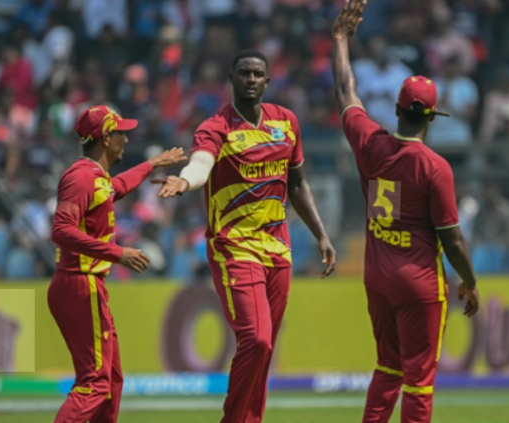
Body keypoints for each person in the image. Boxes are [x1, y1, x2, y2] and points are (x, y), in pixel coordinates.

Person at [155, 49, 337, 423]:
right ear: (232, 79)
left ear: (268, 81)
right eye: (244, 74)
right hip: (234, 246)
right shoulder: (216, 126)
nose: (251, 80)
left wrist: (321, 234)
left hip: (278, 248)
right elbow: (202, 164)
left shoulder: (286, 122)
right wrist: (186, 180)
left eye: (258, 74)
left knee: (263, 351)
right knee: (257, 339)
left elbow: (298, 184)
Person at [331, 2, 480, 423]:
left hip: (377, 278)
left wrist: (340, 39)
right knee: (418, 379)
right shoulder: (435, 168)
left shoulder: (370, 143)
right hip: (418, 284)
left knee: (387, 367)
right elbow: (451, 237)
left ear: (397, 109)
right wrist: (469, 281)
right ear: (431, 117)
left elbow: (346, 92)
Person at [48, 105, 186, 423]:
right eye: (121, 133)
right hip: (79, 285)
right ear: (106, 138)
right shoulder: (81, 177)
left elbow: (116, 188)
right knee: (95, 383)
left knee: (110, 381)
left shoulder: (95, 176)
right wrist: (117, 252)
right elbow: (61, 230)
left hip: (83, 286)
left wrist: (152, 163)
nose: (126, 139)